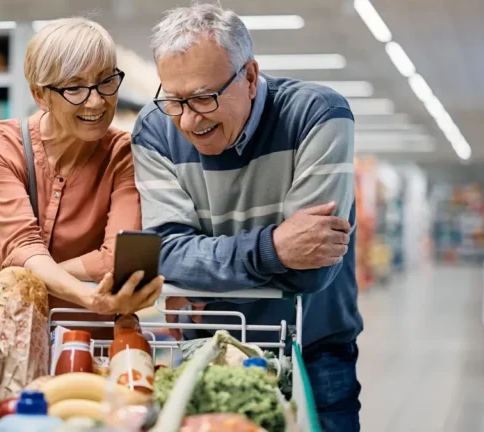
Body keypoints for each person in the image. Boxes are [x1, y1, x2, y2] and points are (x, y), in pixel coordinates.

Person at [131, 4, 363, 431]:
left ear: (251, 77)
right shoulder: (154, 129)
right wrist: (275, 249)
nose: (187, 119)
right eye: (174, 99)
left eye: (203, 97)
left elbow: (313, 274)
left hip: (312, 353)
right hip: (206, 354)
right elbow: (166, 254)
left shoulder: (318, 116)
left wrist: (206, 267)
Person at [0, 17, 164, 412]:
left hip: (87, 355)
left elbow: (113, 257)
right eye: (75, 88)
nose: (97, 100)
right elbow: (23, 246)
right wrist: (85, 293)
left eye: (106, 81)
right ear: (40, 94)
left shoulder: (125, 153)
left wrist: (8, 283)